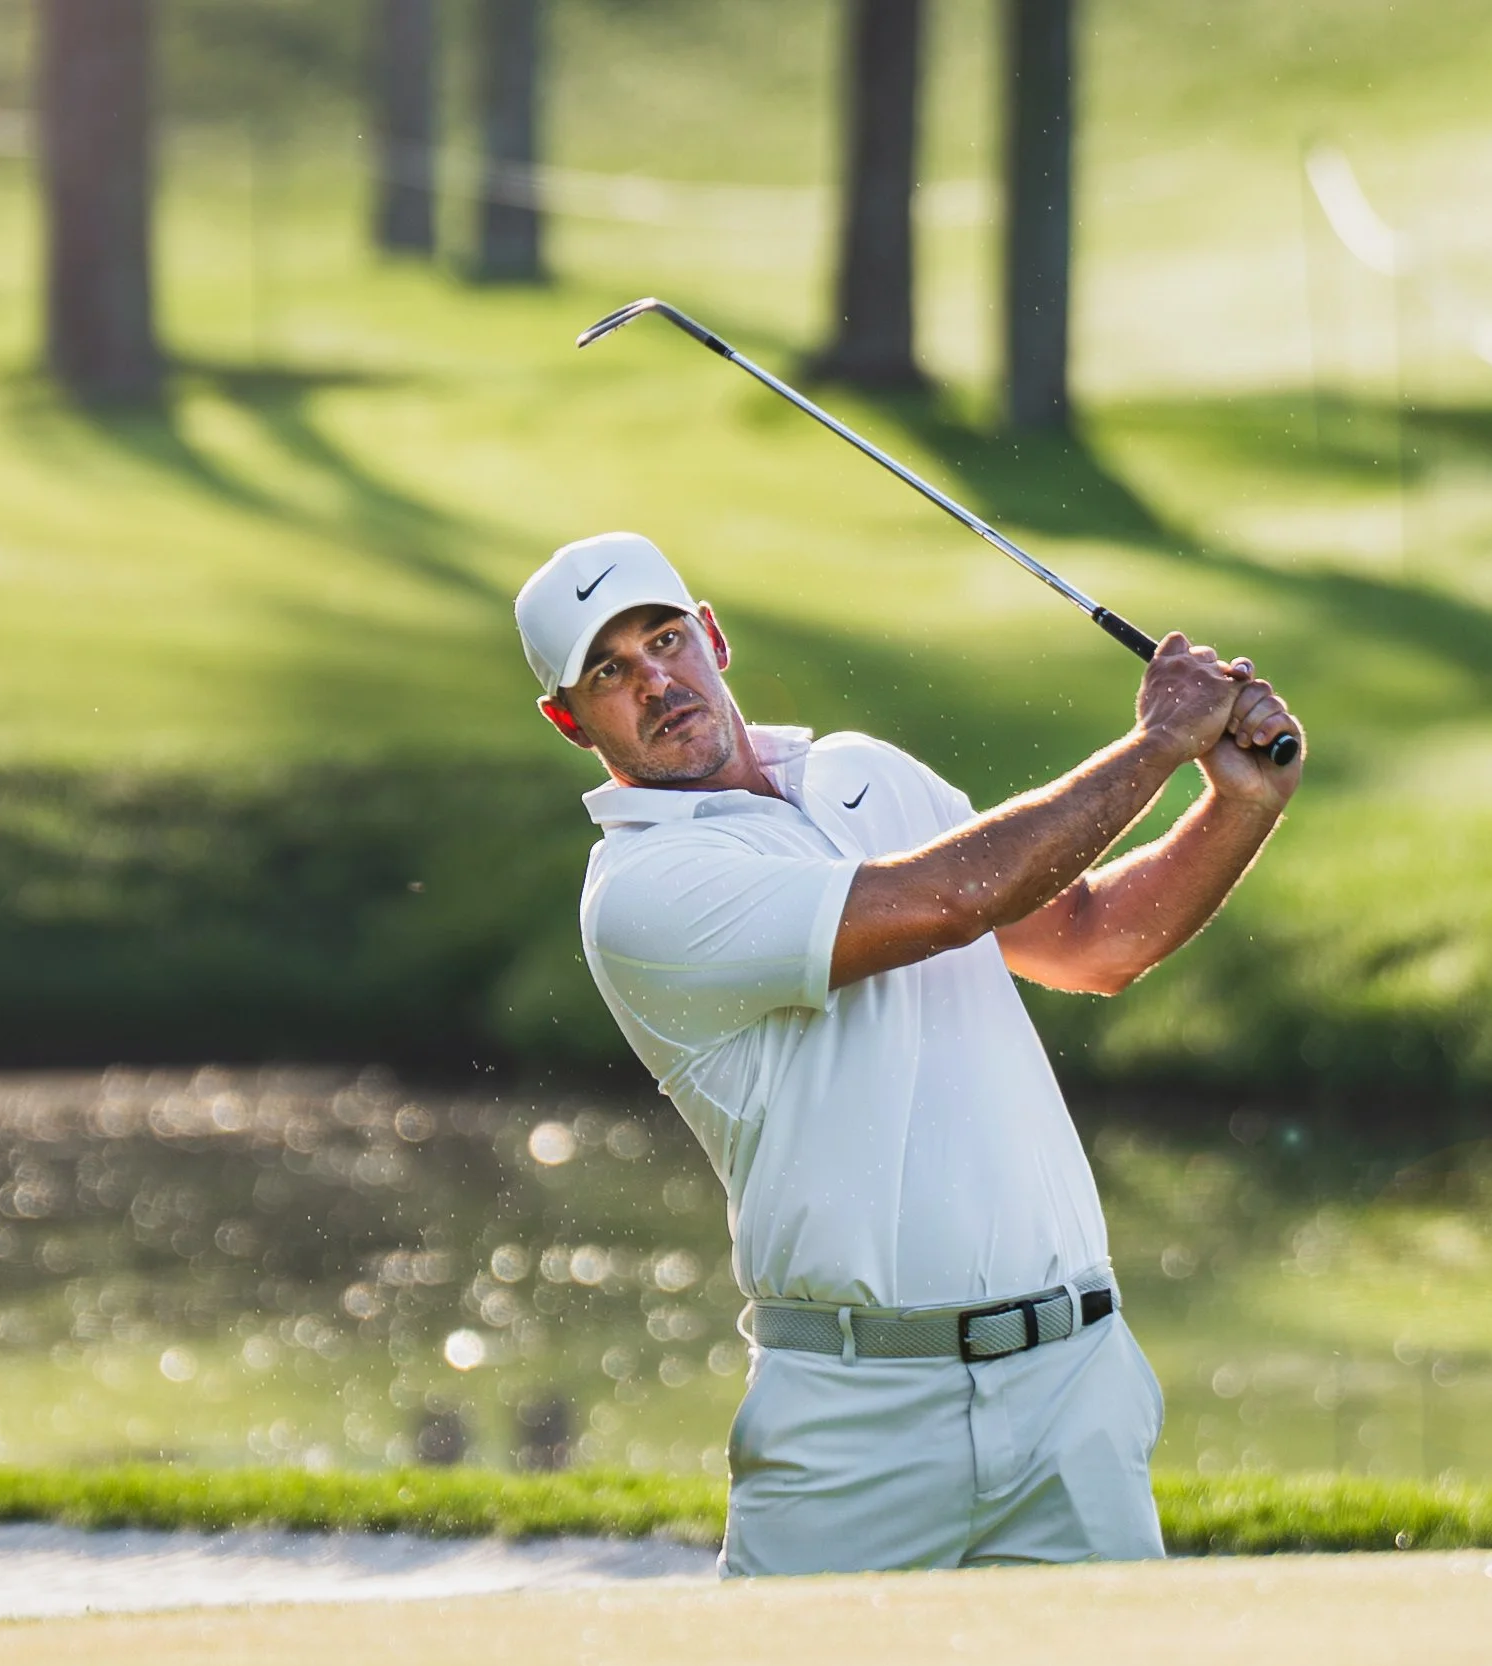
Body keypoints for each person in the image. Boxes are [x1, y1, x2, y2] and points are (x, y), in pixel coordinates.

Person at [514, 530, 1304, 1575]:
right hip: (857, 1416)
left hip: (1072, 1389)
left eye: (665, 640)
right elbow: (947, 901)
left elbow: (1089, 944)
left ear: (712, 636)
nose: (657, 682)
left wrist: (1236, 804)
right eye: (609, 673)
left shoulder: (862, 774)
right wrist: (1157, 743)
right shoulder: (645, 891)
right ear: (570, 721)